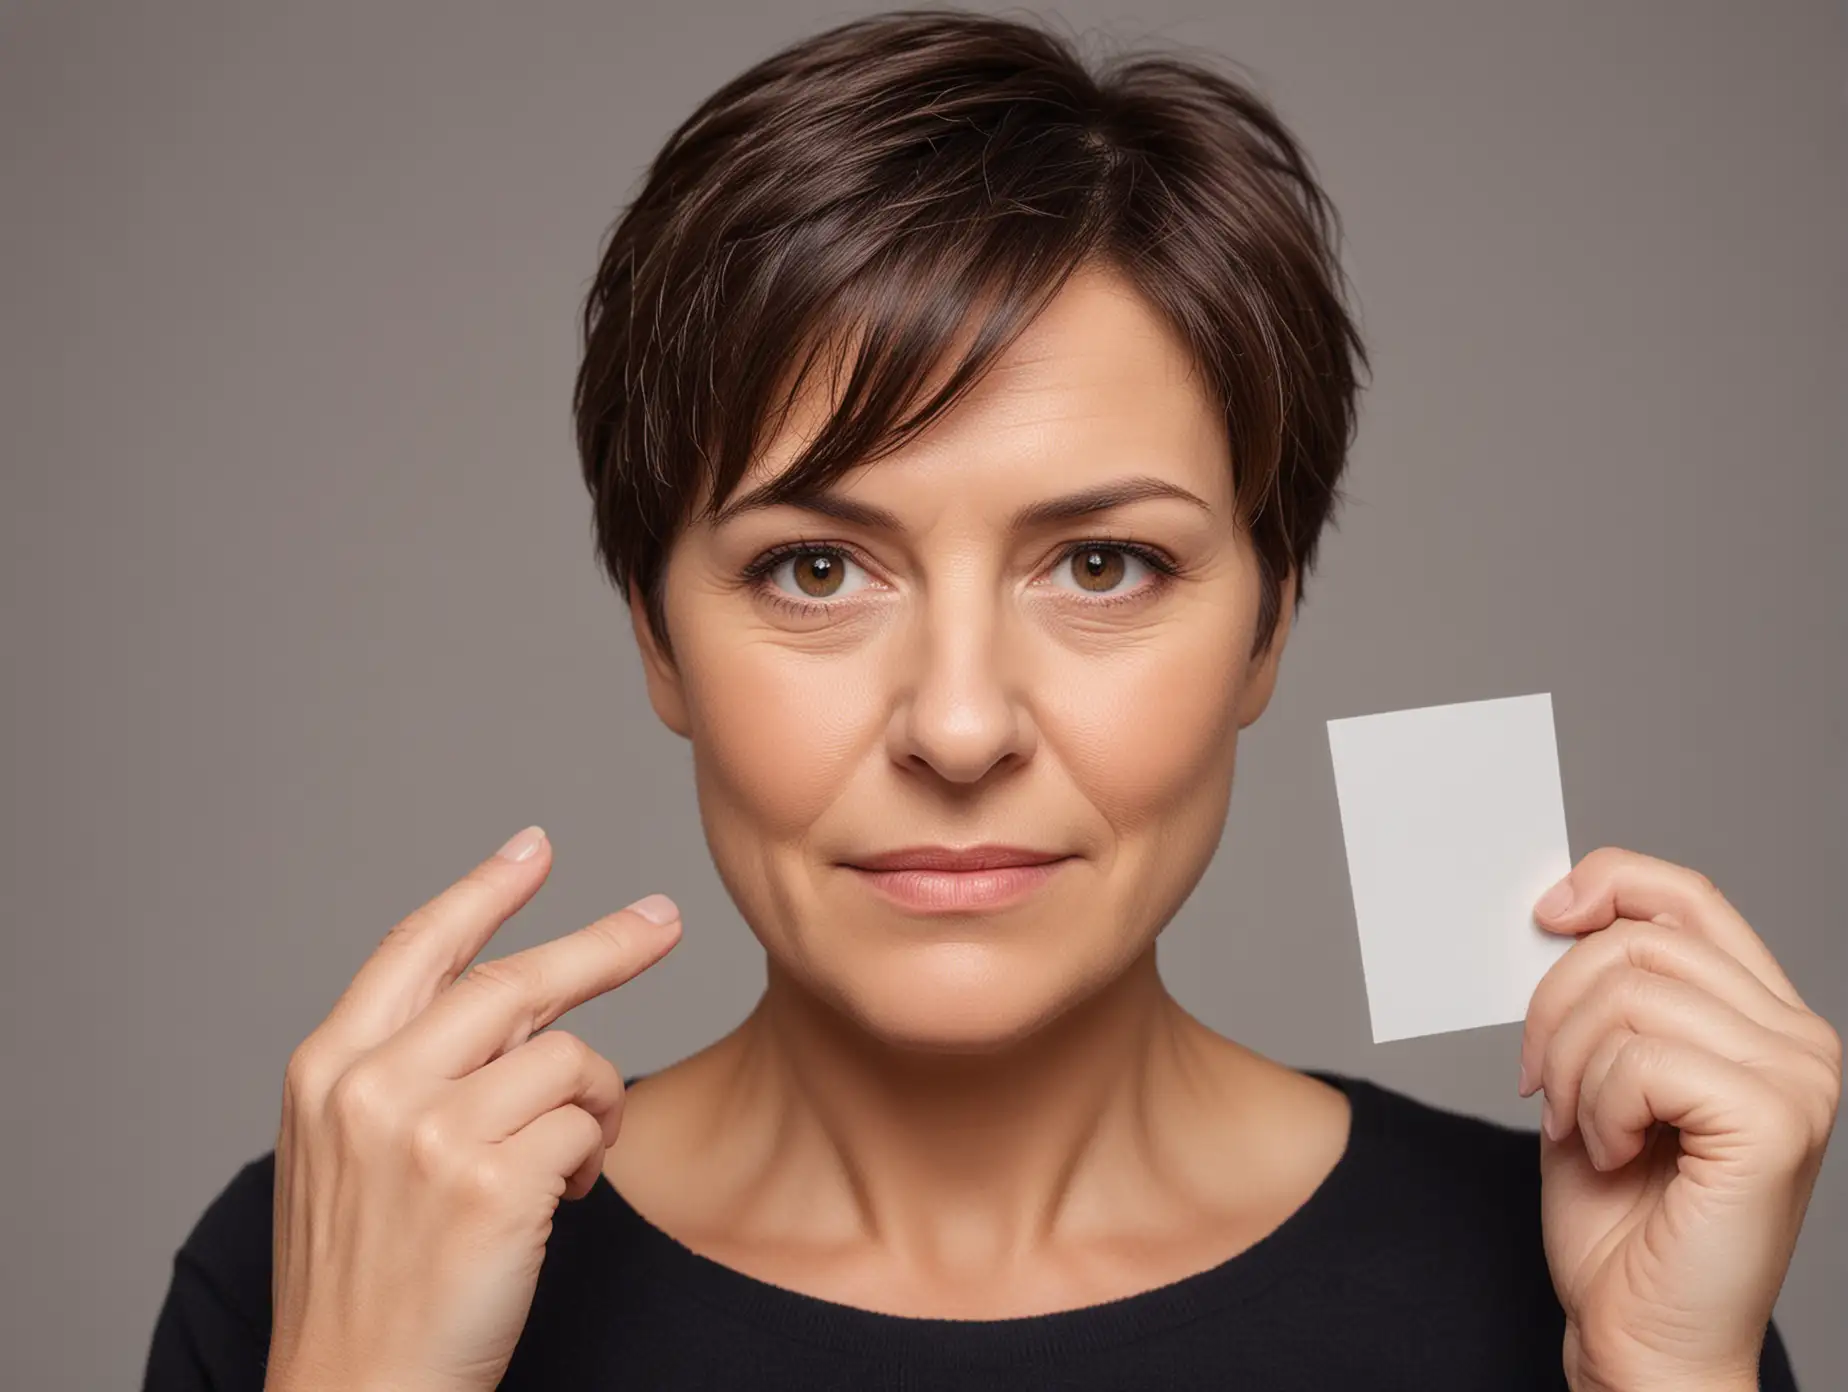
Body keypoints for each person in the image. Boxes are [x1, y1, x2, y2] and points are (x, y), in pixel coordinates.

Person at [143, 10, 1838, 1391]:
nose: (959, 728)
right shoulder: (338, 1260)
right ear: (658, 638)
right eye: (818, 569)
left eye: (1104, 565)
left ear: (1267, 633)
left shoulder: (1590, 1286)